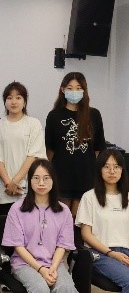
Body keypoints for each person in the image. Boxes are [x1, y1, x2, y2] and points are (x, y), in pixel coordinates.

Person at [2, 159, 77, 293]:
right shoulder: (17, 209)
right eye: (36, 178)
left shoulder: (63, 211)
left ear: (53, 181)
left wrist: (52, 267)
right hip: (25, 264)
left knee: (67, 288)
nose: (41, 183)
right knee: (40, 289)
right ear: (30, 181)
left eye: (46, 178)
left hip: (54, 263)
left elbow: (63, 245)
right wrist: (41, 269)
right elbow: (18, 247)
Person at [76, 148, 129, 293]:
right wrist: (111, 253)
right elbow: (86, 234)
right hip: (100, 254)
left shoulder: (127, 197)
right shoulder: (89, 197)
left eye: (116, 167)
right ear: (99, 170)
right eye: (107, 167)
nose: (112, 171)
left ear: (122, 170)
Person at [46, 72, 105, 217]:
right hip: (61, 177)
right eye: (70, 88)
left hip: (86, 177)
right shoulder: (54, 116)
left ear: (84, 90)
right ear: (63, 90)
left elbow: (98, 149)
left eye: (78, 88)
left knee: (80, 221)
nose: (74, 92)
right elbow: (49, 150)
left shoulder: (94, 115)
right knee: (61, 219)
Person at [0, 82, 46, 216]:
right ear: (4, 102)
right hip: (4, 190)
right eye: (9, 98)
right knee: (5, 226)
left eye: (18, 97)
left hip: (28, 188)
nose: (14, 102)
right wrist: (8, 183)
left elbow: (32, 156)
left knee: (31, 226)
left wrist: (15, 182)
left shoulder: (33, 124)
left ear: (25, 101)